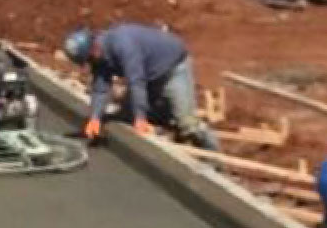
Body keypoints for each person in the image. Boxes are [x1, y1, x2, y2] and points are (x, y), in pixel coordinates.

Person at [61, 23, 219, 150]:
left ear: (93, 48)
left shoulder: (123, 44)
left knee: (188, 124)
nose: (90, 63)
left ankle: (216, 163)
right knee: (126, 116)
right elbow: (101, 88)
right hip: (149, 74)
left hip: (172, 68)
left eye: (89, 59)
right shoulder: (98, 57)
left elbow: (136, 81)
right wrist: (95, 118)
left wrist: (140, 118)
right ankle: (162, 124)